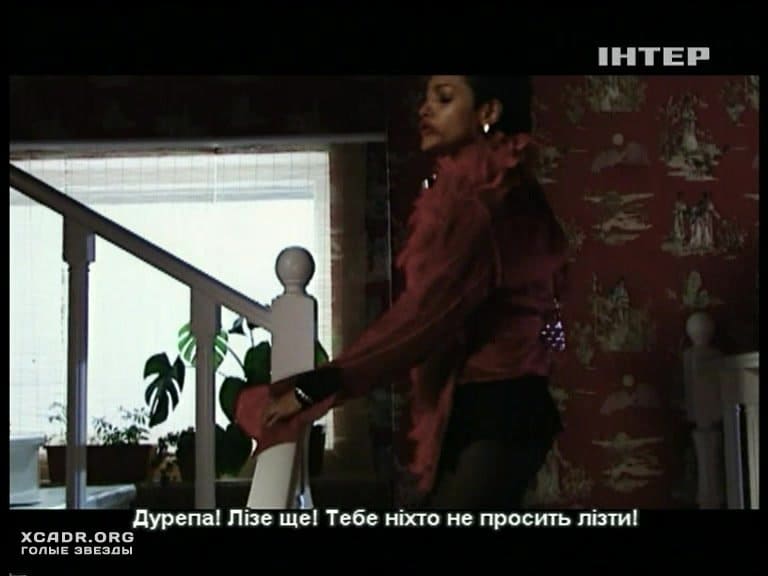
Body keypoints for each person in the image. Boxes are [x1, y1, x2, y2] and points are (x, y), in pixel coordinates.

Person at [235, 75, 568, 510]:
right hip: (505, 406)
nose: (424, 109)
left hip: (495, 413)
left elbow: (419, 321)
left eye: (444, 98)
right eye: (427, 97)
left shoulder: (479, 207)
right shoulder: (511, 191)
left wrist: (312, 388)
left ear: (488, 112)